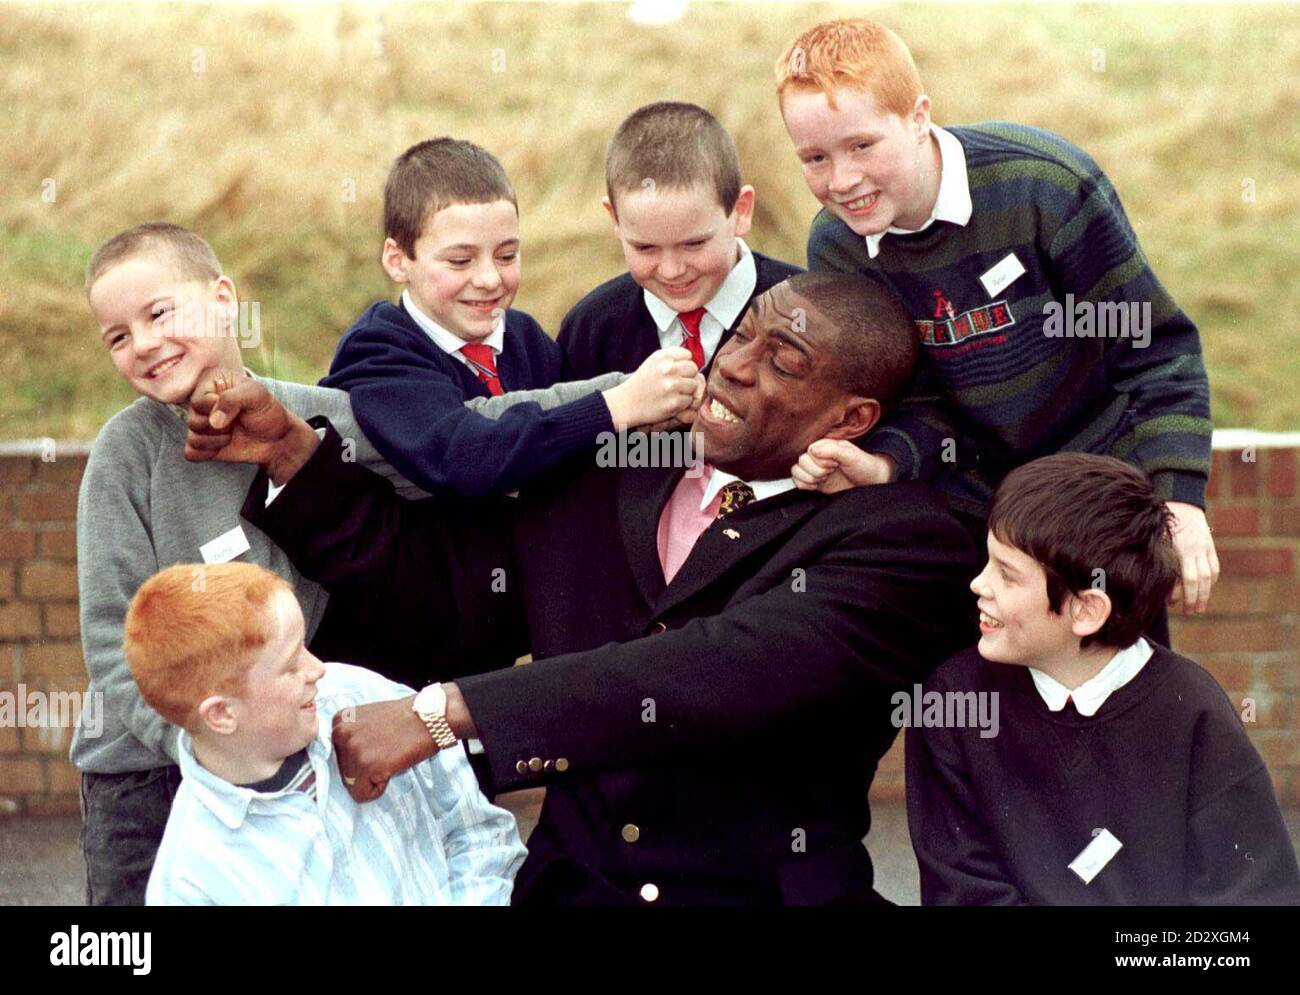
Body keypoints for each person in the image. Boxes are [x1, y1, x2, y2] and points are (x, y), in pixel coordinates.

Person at [187, 271, 980, 906]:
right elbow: (453, 593)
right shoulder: (614, 467)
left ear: (850, 418)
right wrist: (294, 456)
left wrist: (444, 713)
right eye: (742, 334)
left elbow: (719, 667)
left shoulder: (904, 541)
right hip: (569, 889)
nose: (733, 362)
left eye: (784, 362)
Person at [72, 221, 604, 905]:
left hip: (275, 754)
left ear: (225, 298)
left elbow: (470, 431)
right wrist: (201, 754)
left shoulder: (311, 414)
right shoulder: (124, 454)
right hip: (149, 772)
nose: (143, 343)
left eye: (159, 312)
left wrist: (621, 396)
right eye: (118, 336)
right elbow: (114, 642)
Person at [774, 17, 1218, 618]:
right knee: (972, 701)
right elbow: (915, 403)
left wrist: (1179, 501)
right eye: (815, 157)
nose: (842, 180)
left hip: (1093, 505)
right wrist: (881, 462)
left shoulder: (1044, 187)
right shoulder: (838, 248)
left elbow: (1156, 352)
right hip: (966, 518)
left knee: (1116, 699)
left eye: (862, 145)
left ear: (918, 116)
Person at [905, 454, 1300, 905]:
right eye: (988, 561)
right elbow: (961, 891)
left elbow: (1256, 895)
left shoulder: (1192, 710)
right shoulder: (955, 702)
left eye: (1007, 575)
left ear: (1086, 610)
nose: (978, 583)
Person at [322, 136, 702, 497]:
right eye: (460, 261)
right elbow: (464, 457)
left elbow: (572, 448)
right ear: (398, 260)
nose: (489, 280)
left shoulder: (524, 336)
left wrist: (667, 415)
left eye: (506, 256)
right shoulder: (376, 350)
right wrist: (617, 405)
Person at [126, 563, 525, 905]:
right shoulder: (191, 878)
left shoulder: (362, 696)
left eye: (305, 645)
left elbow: (479, 832)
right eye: (289, 664)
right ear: (222, 714)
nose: (317, 668)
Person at [558, 101, 801, 381]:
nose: (672, 271)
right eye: (645, 248)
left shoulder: (805, 312)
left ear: (741, 211)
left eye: (694, 244)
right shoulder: (590, 329)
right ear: (615, 219)